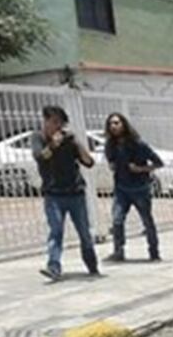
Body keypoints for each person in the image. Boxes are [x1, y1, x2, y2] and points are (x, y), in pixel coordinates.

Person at [32, 106, 99, 281]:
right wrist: (53, 144)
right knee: (56, 231)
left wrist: (77, 143)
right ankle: (53, 266)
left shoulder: (69, 140)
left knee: (84, 232)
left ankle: (92, 264)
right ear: (45, 121)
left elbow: (89, 162)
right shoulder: (38, 138)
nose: (57, 126)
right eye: (54, 122)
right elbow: (40, 157)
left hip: (75, 193)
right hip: (53, 195)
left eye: (60, 123)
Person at [104, 113, 163, 262]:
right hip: (121, 189)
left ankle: (154, 252)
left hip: (140, 189)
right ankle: (118, 251)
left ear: (124, 124)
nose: (113, 126)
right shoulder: (110, 145)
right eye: (111, 123)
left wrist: (140, 169)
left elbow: (158, 163)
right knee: (117, 220)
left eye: (116, 123)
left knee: (147, 221)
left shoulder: (138, 144)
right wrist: (112, 166)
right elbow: (111, 162)